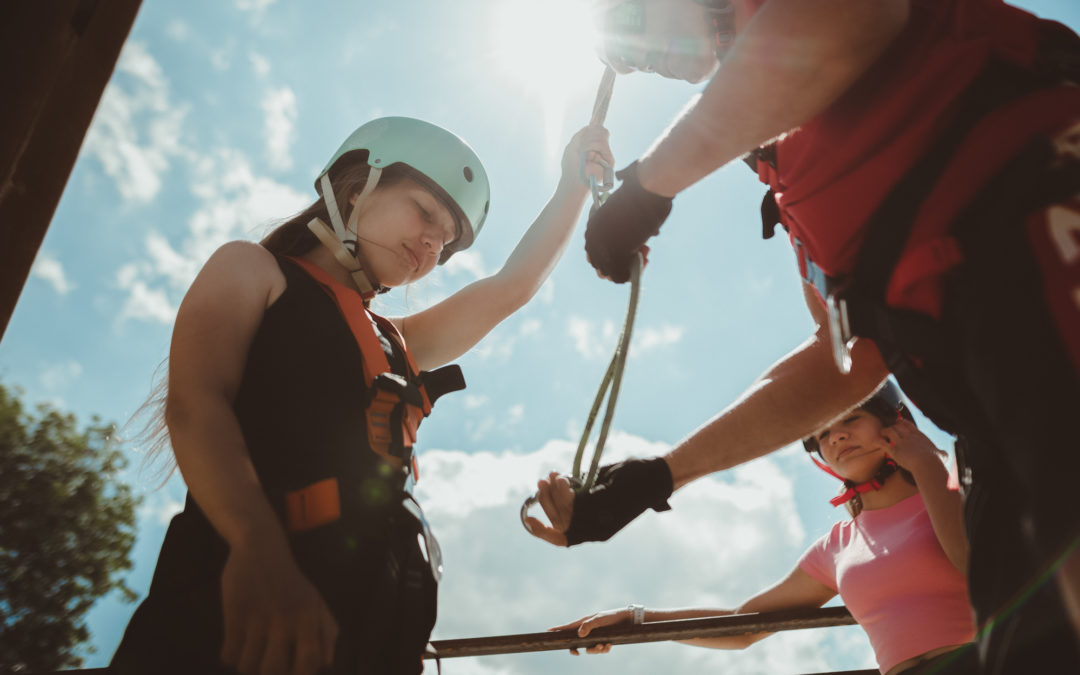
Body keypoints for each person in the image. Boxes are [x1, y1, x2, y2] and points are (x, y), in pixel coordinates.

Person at [526, 1, 1080, 671]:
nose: (641, 55)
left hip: (1045, 260)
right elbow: (846, 359)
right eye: (628, 53)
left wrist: (650, 184)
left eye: (638, 16)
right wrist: (657, 477)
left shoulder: (807, 33)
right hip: (991, 433)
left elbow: (841, 24)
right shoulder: (798, 183)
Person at [110, 116, 613, 675]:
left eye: (446, 239)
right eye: (424, 211)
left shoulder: (394, 342)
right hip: (233, 611)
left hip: (363, 634)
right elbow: (197, 405)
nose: (432, 242)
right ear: (356, 189)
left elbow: (509, 289)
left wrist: (574, 184)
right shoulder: (251, 269)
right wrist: (258, 550)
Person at [553, 384, 978, 675]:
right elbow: (744, 626)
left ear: (897, 420)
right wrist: (636, 620)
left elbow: (977, 568)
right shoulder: (837, 546)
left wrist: (924, 461)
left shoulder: (960, 487)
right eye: (823, 432)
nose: (836, 437)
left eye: (851, 417)